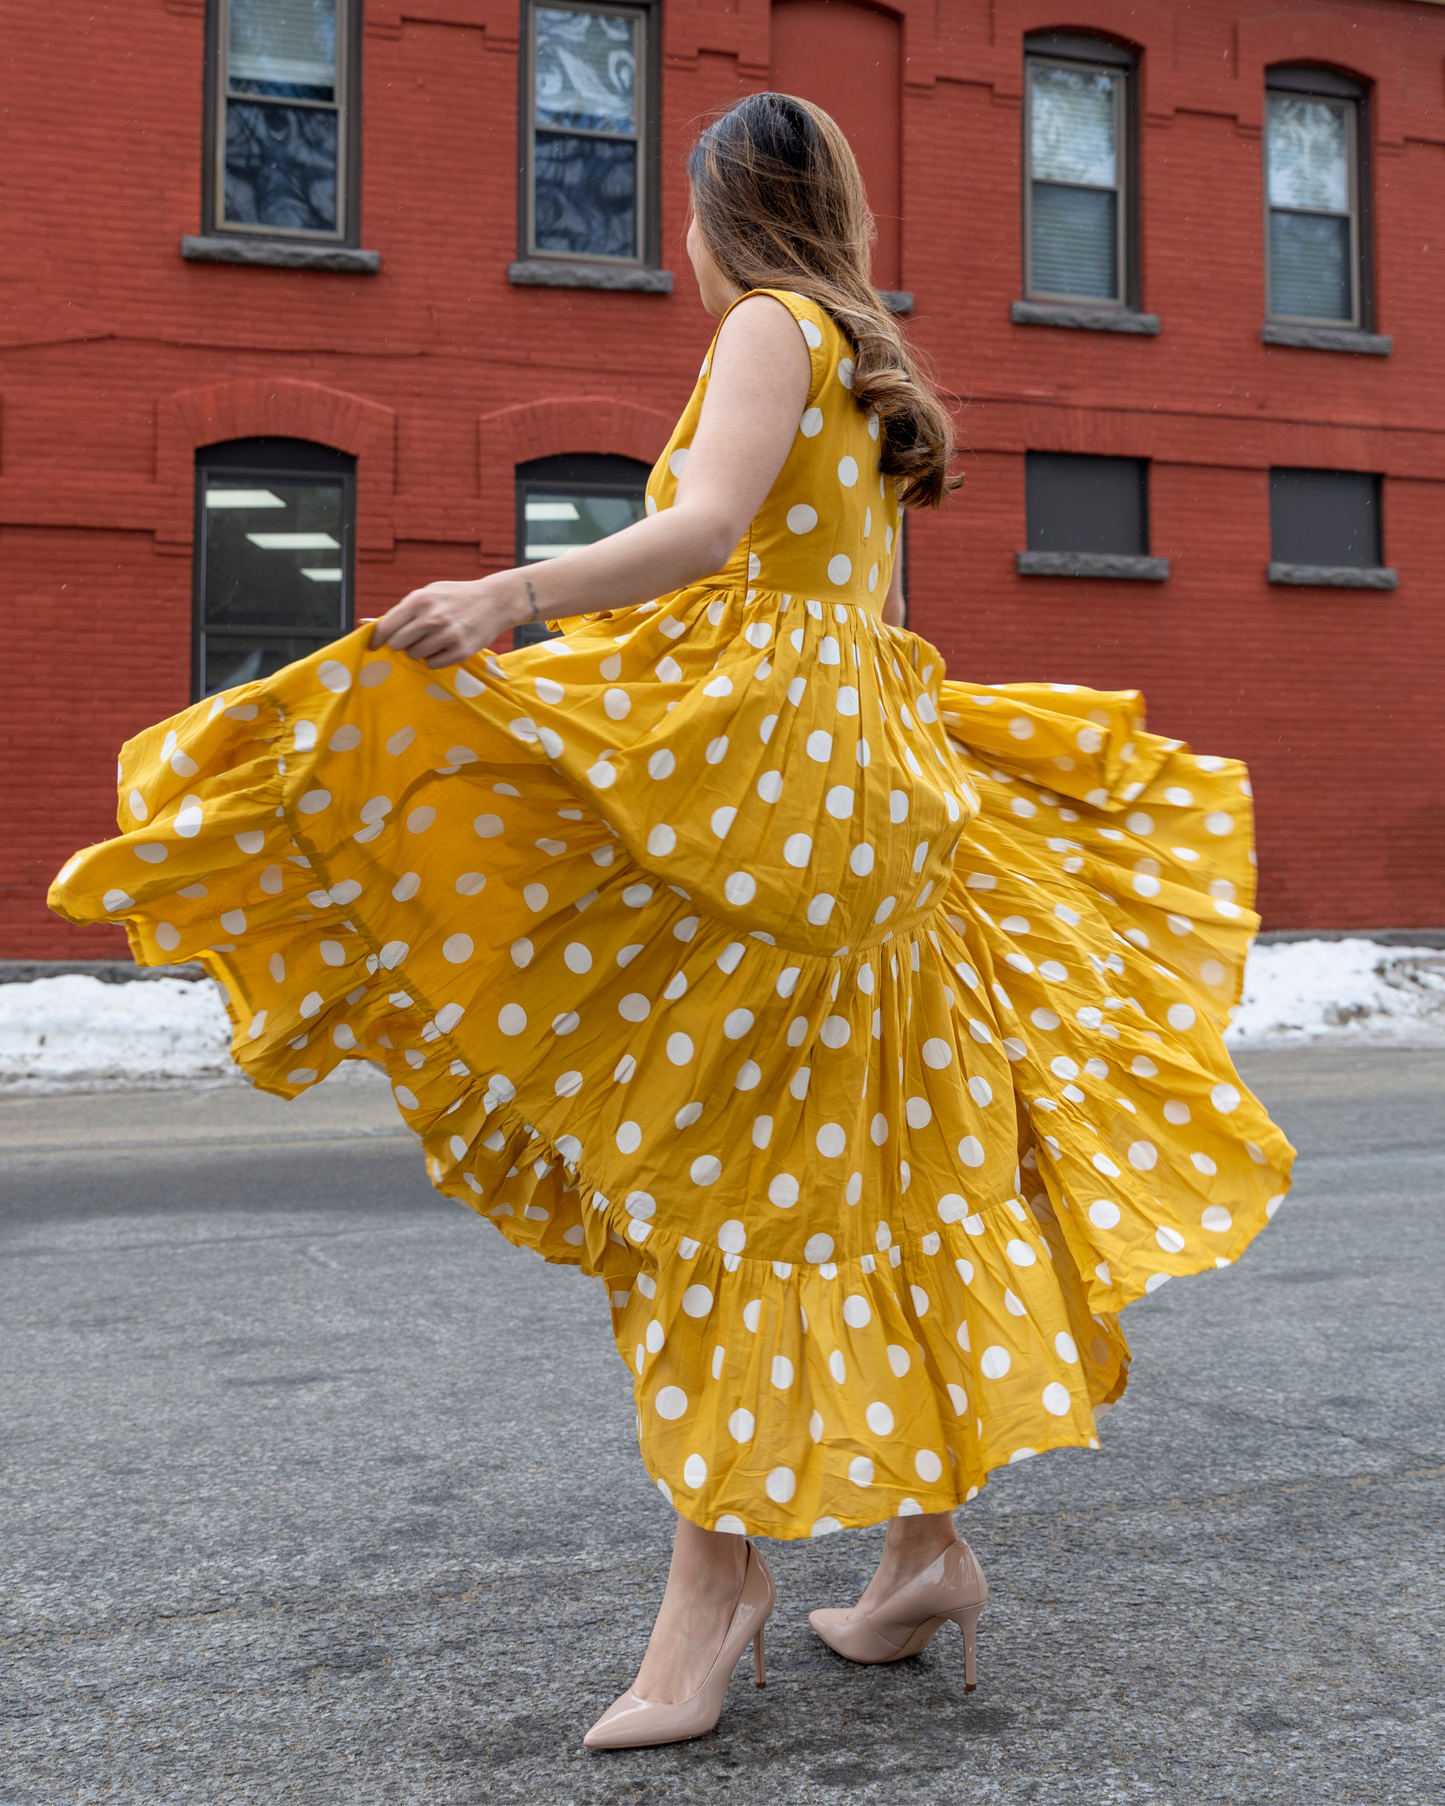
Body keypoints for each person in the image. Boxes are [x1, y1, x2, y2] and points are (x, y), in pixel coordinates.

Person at [50, 92, 1294, 1752]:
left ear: (719, 217)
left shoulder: (773, 329)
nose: (676, 244)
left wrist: (514, 597)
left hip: (786, 820)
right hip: (860, 808)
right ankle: (922, 1553)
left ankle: (718, 1596)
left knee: (730, 1173)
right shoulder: (866, 364)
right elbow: (828, 612)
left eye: (684, 215)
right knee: (876, 1166)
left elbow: (704, 535)